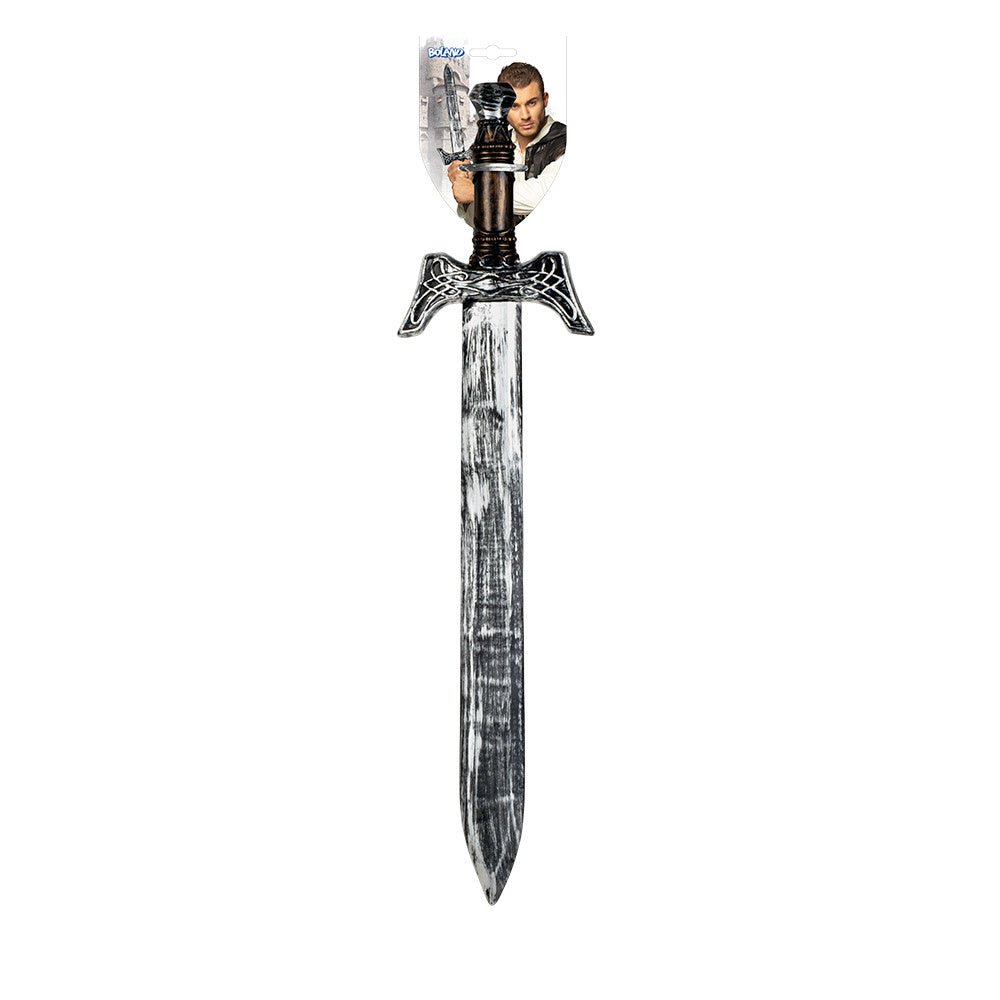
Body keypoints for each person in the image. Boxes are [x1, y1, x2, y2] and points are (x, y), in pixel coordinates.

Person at [448, 62, 567, 224]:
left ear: (545, 100)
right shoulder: (492, 146)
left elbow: (545, 192)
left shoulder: (564, 140)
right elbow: (474, 219)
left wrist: (477, 192)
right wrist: (463, 180)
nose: (525, 115)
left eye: (532, 103)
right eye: (514, 106)